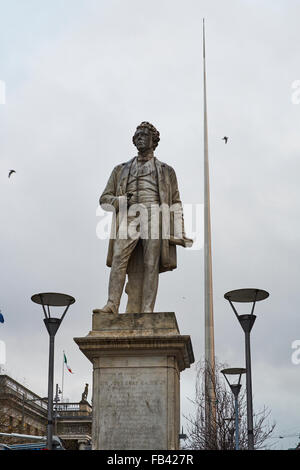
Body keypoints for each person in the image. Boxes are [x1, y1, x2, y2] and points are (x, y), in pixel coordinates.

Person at [99, 121, 192, 314]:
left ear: (154, 140)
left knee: (151, 263)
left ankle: (147, 310)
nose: (139, 137)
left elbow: (175, 203)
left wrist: (180, 230)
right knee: (118, 258)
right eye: (137, 135)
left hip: (155, 215)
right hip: (130, 214)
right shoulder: (120, 169)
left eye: (143, 134)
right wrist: (121, 201)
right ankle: (111, 304)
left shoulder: (166, 171)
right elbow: (104, 200)